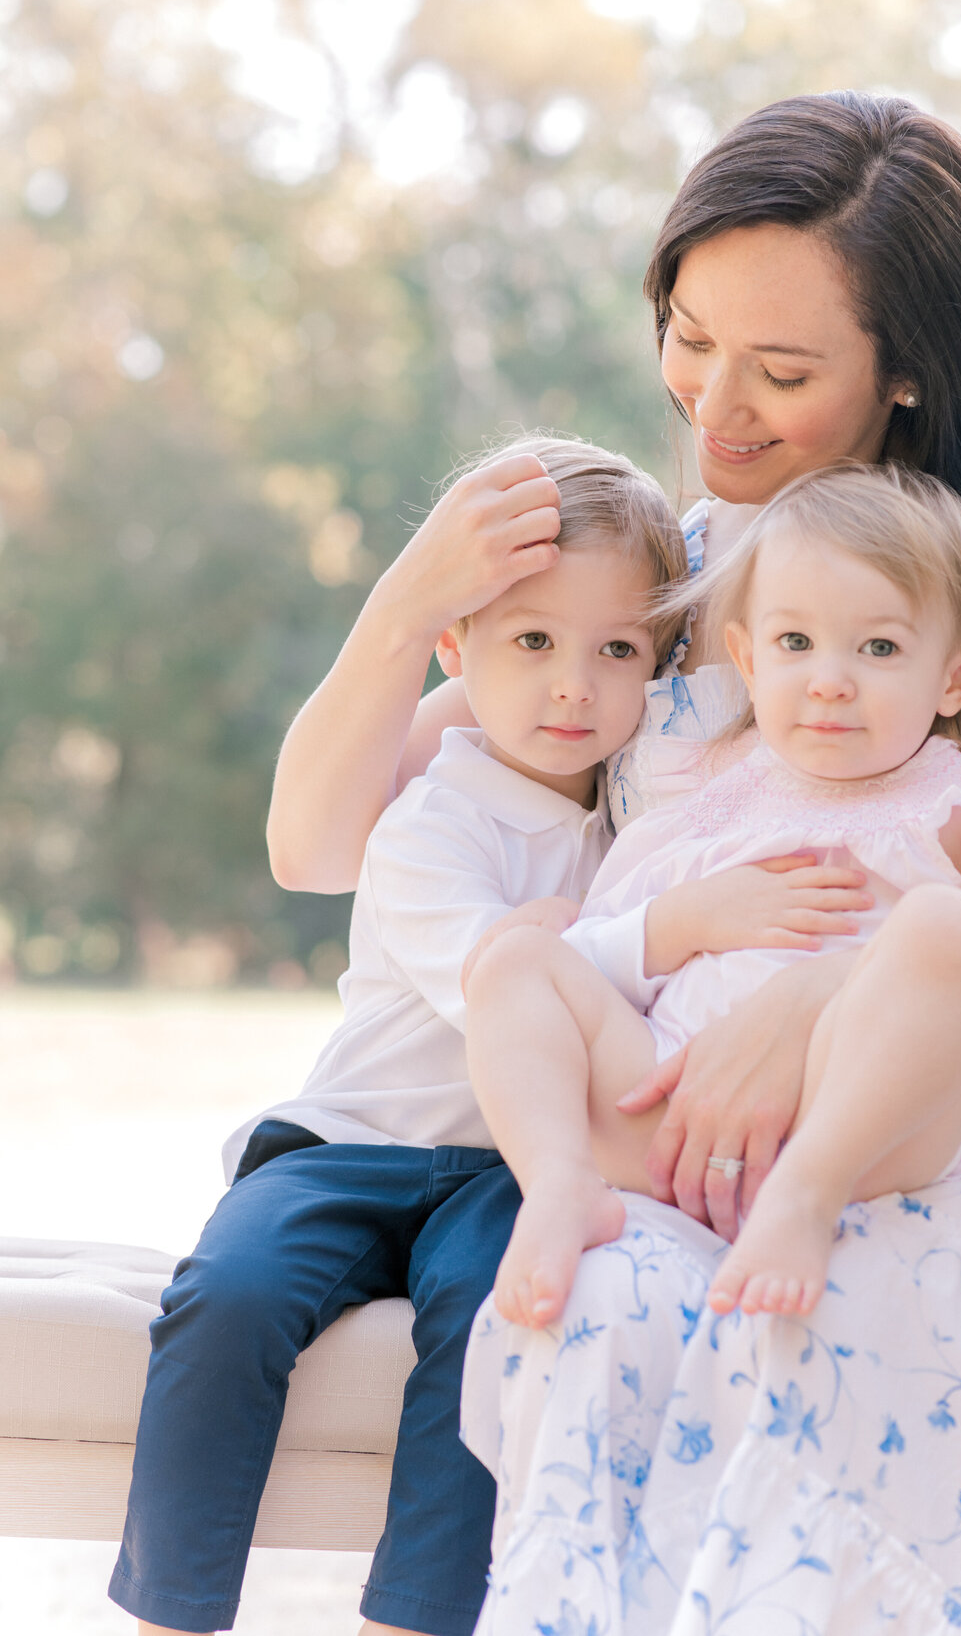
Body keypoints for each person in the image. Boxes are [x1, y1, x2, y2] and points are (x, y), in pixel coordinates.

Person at [266, 93, 961, 1628]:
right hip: (678, 1086)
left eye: (781, 371)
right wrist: (403, 603)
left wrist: (825, 1004)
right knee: (602, 1302)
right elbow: (317, 847)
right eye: (688, 337)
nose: (714, 405)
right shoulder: (669, 567)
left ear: (906, 369)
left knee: (860, 1315)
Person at [107, 434, 692, 1636]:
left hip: (502, 1169)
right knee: (230, 1291)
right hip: (348, 1145)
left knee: (500, 1319)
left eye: (617, 650)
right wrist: (562, 943)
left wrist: (562, 933)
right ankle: (171, 1609)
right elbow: (502, 991)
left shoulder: (641, 832)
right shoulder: (433, 813)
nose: (573, 685)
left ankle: (414, 1617)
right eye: (532, 641)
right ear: (455, 650)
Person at [463, 463, 961, 1331]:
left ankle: (803, 1198)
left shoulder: (952, 803)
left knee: (950, 927)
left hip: (867, 1128)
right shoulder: (710, 795)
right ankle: (559, 1183)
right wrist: (669, 927)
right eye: (796, 645)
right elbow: (604, 967)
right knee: (511, 959)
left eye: (878, 648)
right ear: (748, 661)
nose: (830, 680)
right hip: (669, 1115)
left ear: (954, 680)